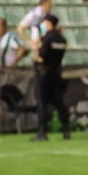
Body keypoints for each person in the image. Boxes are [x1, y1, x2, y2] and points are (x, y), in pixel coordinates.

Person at [31, 13, 69, 141]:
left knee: (42, 102)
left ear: (49, 23)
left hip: (44, 74)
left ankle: (42, 132)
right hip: (57, 72)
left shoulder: (47, 38)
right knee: (59, 102)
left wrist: (35, 49)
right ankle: (66, 130)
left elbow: (41, 57)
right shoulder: (62, 39)